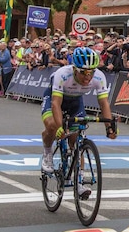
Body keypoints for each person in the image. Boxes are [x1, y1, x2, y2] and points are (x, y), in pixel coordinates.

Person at [40, 47, 117, 198]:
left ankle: (79, 182)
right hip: (55, 99)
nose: (88, 76)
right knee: (52, 126)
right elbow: (56, 104)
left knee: (76, 140)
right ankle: (47, 154)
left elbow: (104, 103)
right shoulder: (63, 74)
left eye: (91, 72)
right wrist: (59, 127)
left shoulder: (99, 77)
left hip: (76, 102)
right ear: (74, 69)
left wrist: (109, 127)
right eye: (83, 72)